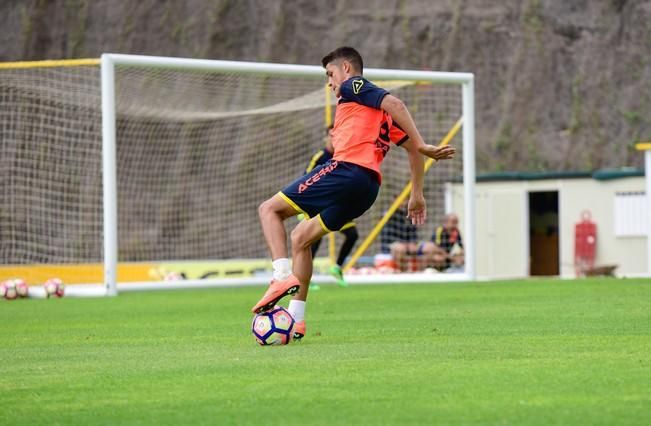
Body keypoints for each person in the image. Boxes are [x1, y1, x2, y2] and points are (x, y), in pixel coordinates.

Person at [253, 46, 456, 341]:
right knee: (300, 238)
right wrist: (417, 194)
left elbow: (397, 105)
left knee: (269, 210)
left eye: (330, 74)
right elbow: (412, 149)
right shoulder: (375, 113)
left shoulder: (352, 86)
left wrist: (423, 143)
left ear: (346, 68)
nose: (330, 82)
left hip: (347, 171)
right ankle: (296, 320)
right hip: (368, 188)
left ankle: (281, 278)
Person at [304, 126, 358, 289]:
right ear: (326, 137)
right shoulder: (320, 157)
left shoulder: (344, 156)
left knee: (352, 234)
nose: (335, 138)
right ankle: (305, 276)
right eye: (331, 135)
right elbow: (306, 179)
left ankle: (337, 268)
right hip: (320, 204)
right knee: (314, 239)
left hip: (338, 204)